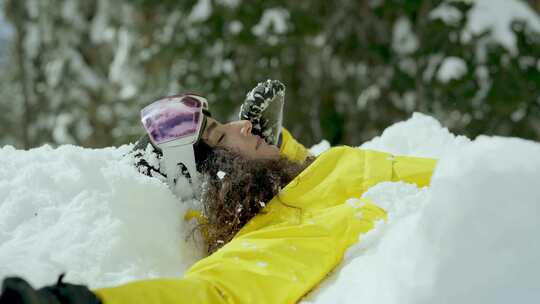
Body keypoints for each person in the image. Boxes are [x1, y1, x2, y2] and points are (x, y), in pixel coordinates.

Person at [0, 80, 437, 304]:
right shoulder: (281, 228)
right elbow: (214, 295)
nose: (244, 126)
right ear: (223, 176)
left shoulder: (311, 171)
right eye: (222, 135)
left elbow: (307, 165)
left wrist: (271, 144)